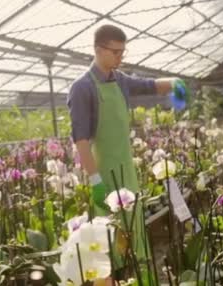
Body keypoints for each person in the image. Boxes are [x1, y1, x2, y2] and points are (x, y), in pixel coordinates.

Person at [67, 24, 188, 282]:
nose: (120, 58)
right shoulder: (82, 88)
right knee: (106, 245)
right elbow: (81, 142)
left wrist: (175, 83)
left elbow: (148, 85)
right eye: (115, 52)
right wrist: (96, 181)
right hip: (103, 176)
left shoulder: (118, 79)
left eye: (123, 52)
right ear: (98, 50)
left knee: (132, 240)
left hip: (127, 174)